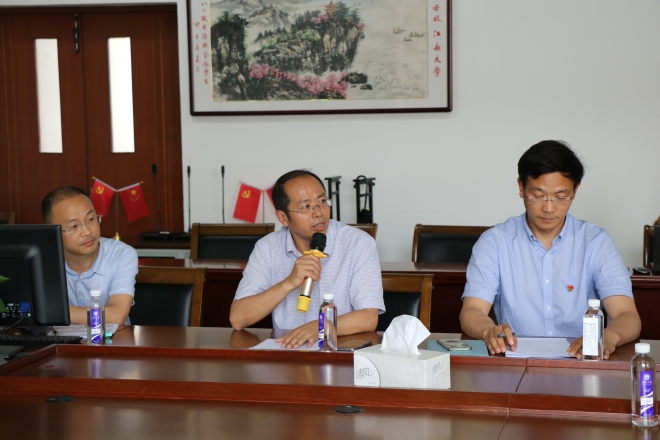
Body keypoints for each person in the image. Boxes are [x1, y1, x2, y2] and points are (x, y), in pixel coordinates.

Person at [459, 140, 641, 359]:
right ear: (521, 188)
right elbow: (472, 311)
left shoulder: (596, 242)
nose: (549, 208)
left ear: (576, 190)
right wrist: (489, 330)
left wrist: (608, 337)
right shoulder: (494, 242)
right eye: (538, 195)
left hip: (581, 362)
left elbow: (626, 314)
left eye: (561, 197)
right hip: (517, 364)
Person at [230, 170, 384, 348]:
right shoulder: (267, 248)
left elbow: (369, 317)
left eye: (322, 201)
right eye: (305, 207)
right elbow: (238, 318)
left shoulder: (358, 243)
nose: (318, 213)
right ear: (283, 217)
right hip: (288, 352)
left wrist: (322, 326)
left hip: (338, 352)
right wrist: (288, 283)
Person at [42, 186, 137, 324]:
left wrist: (47, 311)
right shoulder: (41, 260)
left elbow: (116, 316)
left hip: (112, 337)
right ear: (53, 232)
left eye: (91, 219)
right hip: (57, 338)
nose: (87, 232)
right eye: (74, 226)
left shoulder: (121, 254)